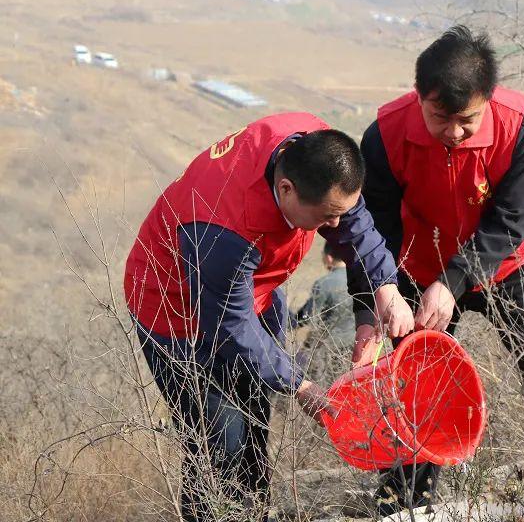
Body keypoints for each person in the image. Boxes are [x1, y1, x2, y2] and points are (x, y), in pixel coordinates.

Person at [347, 25, 524, 515]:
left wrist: (453, 281)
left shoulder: (521, 127)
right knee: (414, 379)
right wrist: (372, 305)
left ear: (488, 99)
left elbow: (512, 219)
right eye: (441, 118)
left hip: (507, 267)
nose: (454, 132)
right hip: (415, 265)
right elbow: (372, 230)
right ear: (419, 98)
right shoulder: (385, 135)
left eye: (467, 120)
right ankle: (407, 502)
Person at [124, 114, 410, 522]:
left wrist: (384, 287)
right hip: (178, 314)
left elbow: (354, 220)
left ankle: (254, 510)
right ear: (286, 189)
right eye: (326, 216)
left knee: (256, 418)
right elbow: (231, 327)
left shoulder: (316, 152)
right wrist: (301, 385)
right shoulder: (224, 227)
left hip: (249, 291)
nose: (334, 225)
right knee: (219, 442)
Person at [294, 242, 354, 382]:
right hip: (356, 345)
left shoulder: (324, 283)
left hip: (328, 348)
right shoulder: (359, 279)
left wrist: (291, 322)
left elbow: (308, 317)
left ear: (328, 258)